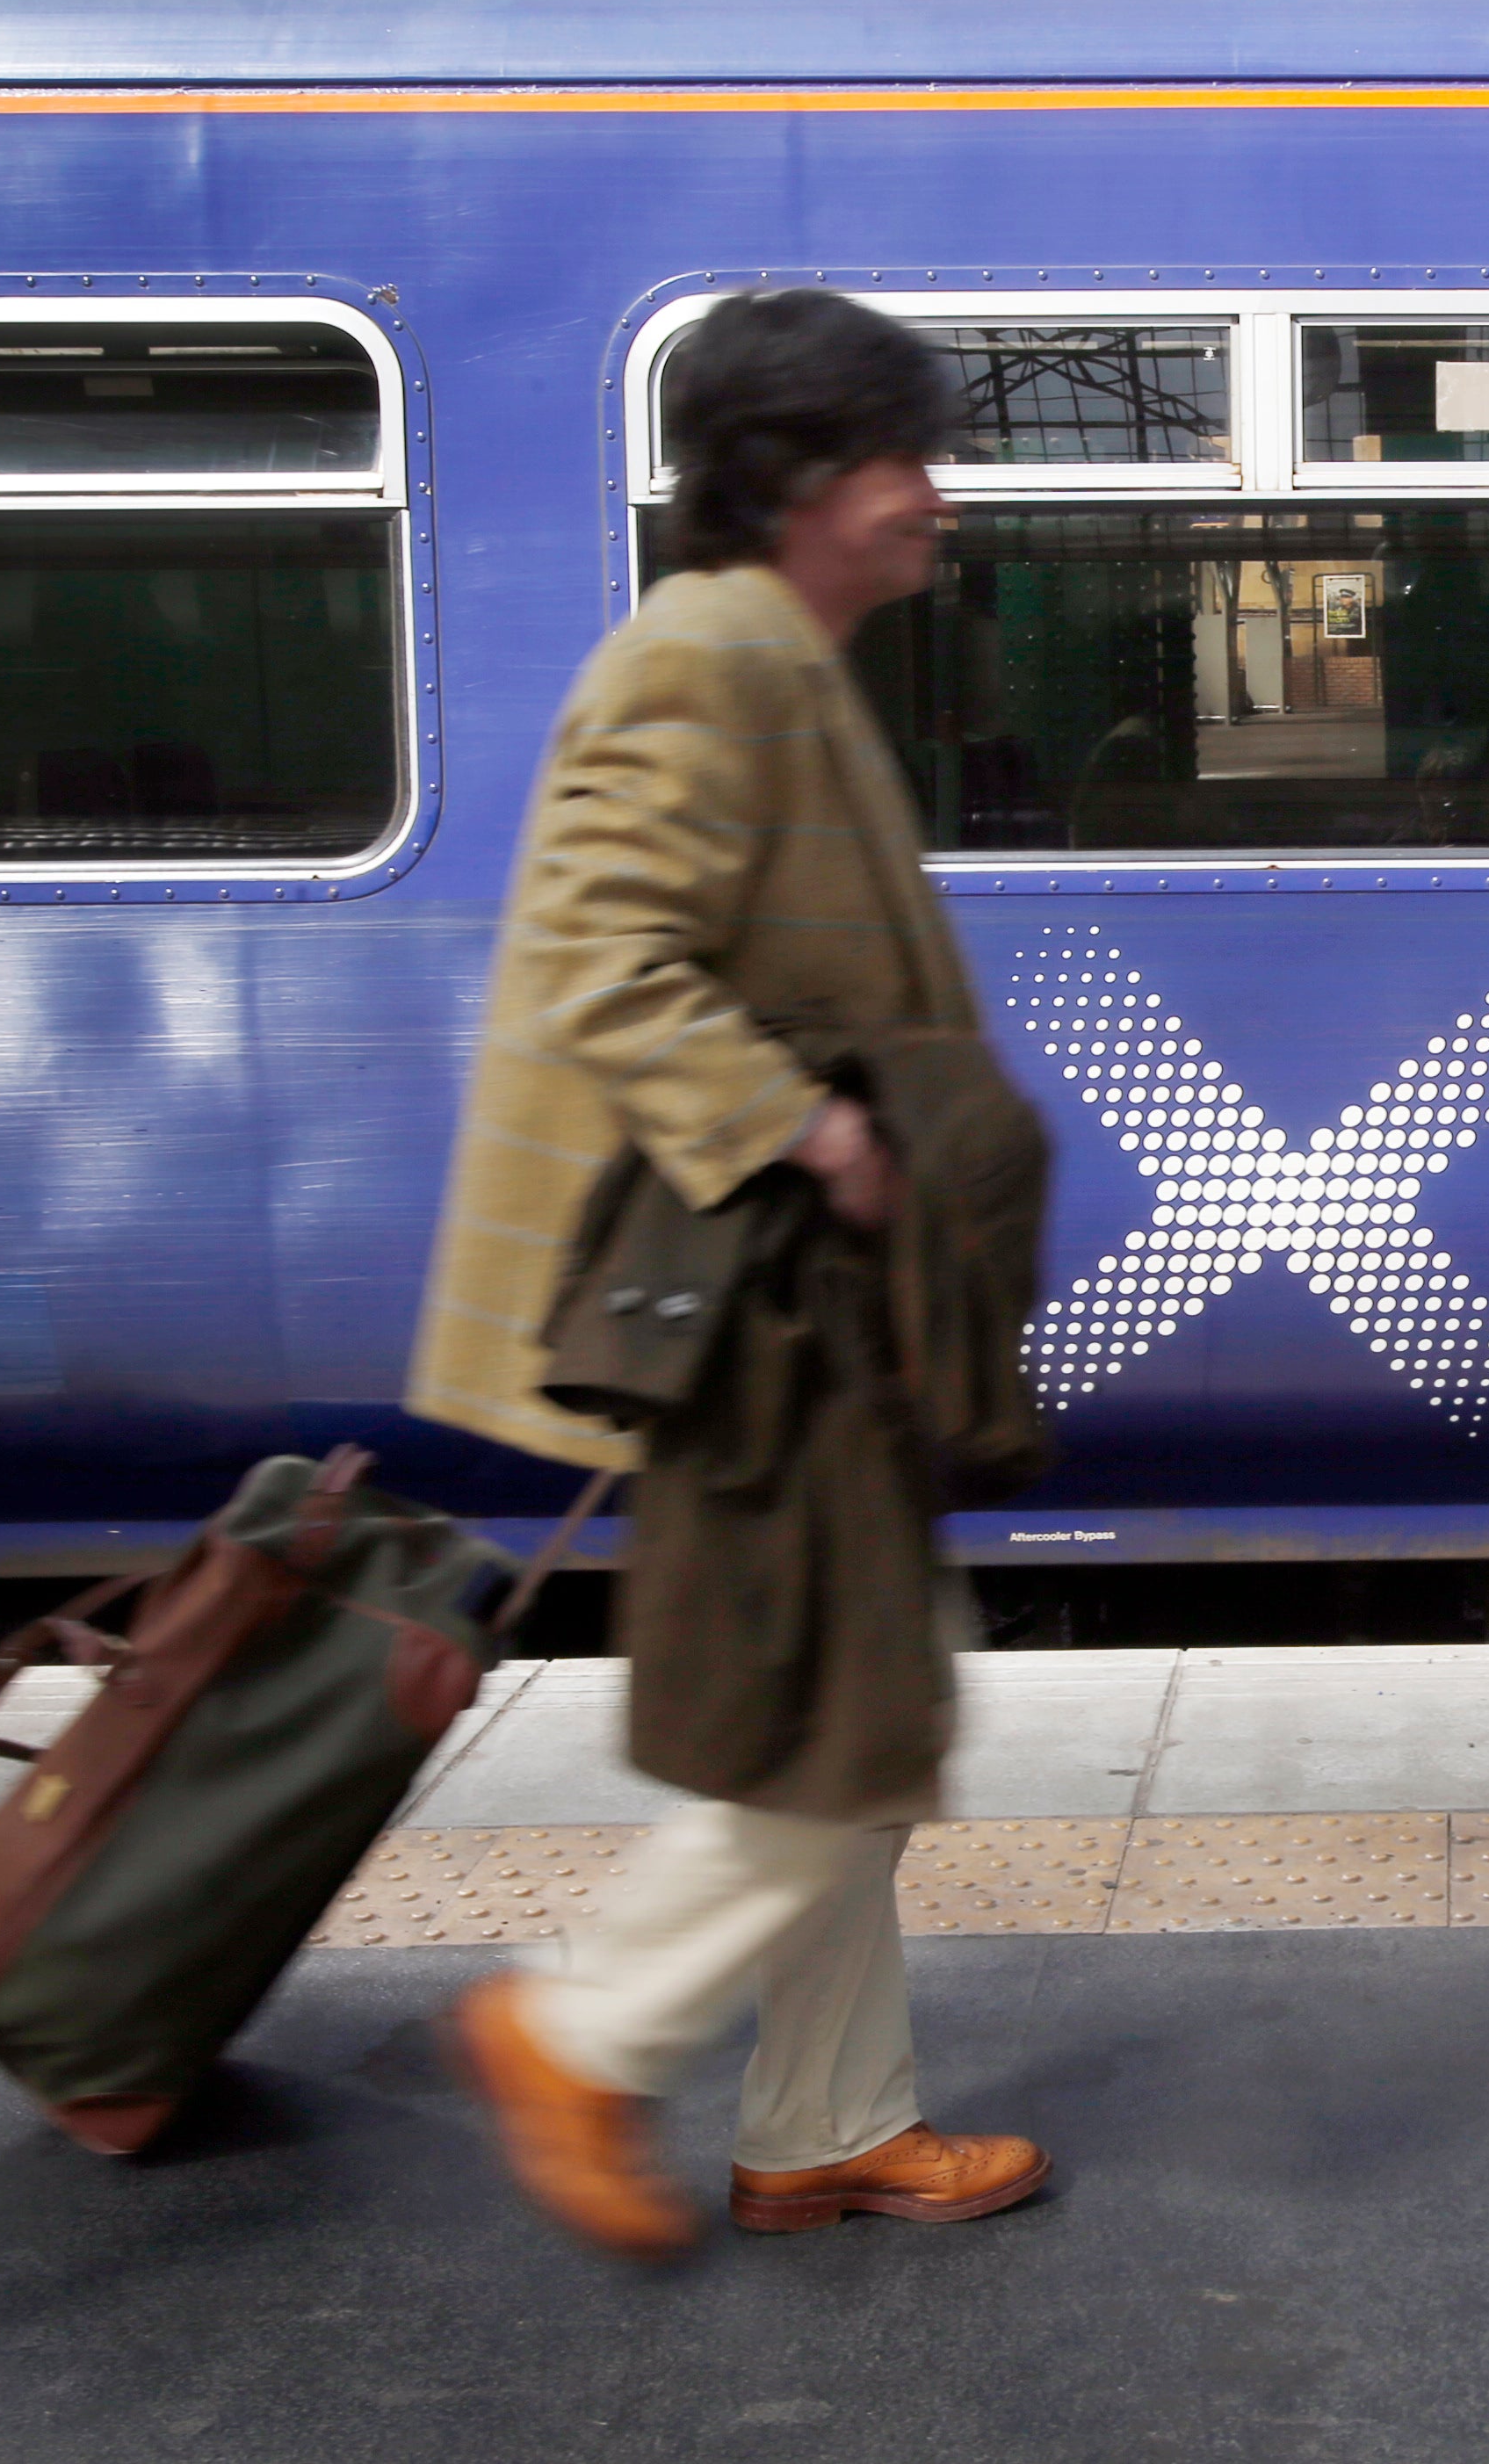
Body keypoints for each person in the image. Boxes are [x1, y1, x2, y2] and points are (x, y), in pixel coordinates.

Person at [406, 287, 1051, 2257]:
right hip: (764, 1310)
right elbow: (607, 950)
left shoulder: (779, 654)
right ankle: (580, 2030)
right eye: (900, 457)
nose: (931, 496)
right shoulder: (704, 658)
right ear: (799, 479)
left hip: (814, 1308)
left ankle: (825, 2123)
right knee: (853, 1712)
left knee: (843, 1704)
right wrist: (812, 1129)